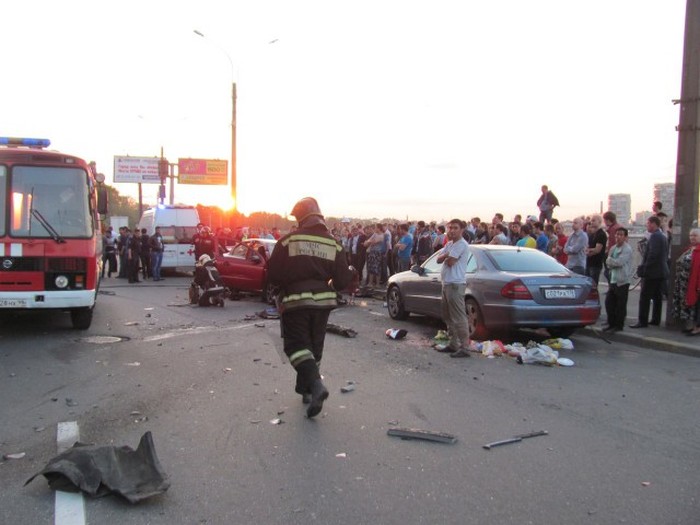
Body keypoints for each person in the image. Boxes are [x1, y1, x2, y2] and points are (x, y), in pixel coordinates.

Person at [267, 197, 354, 418]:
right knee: (313, 348)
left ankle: (316, 386)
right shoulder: (334, 244)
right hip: (323, 304)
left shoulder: (288, 241)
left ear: (300, 218)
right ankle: (305, 390)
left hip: (296, 302)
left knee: (296, 347)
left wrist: (284, 286)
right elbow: (342, 281)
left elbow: (273, 275)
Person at [434, 219, 471, 358]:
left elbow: (450, 262)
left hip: (456, 284)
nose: (452, 230)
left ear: (462, 230)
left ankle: (465, 347)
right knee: (447, 316)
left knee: (458, 317)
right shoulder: (450, 244)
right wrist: (445, 255)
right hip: (447, 283)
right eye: (450, 228)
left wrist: (446, 256)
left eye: (455, 228)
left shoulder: (461, 245)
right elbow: (438, 259)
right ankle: (453, 343)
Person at [630, 216, 669, 328]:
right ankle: (655, 319)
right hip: (660, 271)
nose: (647, 226)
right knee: (657, 296)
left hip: (652, 272)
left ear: (653, 224)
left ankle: (642, 321)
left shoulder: (655, 237)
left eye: (648, 223)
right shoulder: (662, 236)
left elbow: (653, 255)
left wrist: (643, 268)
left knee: (645, 297)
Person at [604, 228, 633, 332]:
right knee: (609, 303)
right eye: (617, 235)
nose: (618, 237)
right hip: (613, 279)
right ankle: (611, 323)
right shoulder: (613, 248)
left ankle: (618, 325)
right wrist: (611, 261)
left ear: (625, 237)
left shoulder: (627, 249)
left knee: (620, 305)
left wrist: (610, 261)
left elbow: (619, 262)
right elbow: (608, 261)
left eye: (621, 235)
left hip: (622, 280)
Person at [671, 228, 700, 335]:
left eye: (695, 235)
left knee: (695, 306)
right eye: (691, 235)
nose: (692, 237)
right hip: (684, 283)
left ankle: (697, 327)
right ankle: (690, 326)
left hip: (693, 283)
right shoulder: (690, 249)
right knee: (687, 305)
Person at [585, 214, 607, 286]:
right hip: (589, 263)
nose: (592, 222)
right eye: (591, 221)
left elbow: (597, 250)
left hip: (596, 264)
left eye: (594, 220)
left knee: (593, 285)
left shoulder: (601, 234)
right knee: (587, 284)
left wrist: (588, 252)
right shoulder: (593, 234)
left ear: (599, 222)